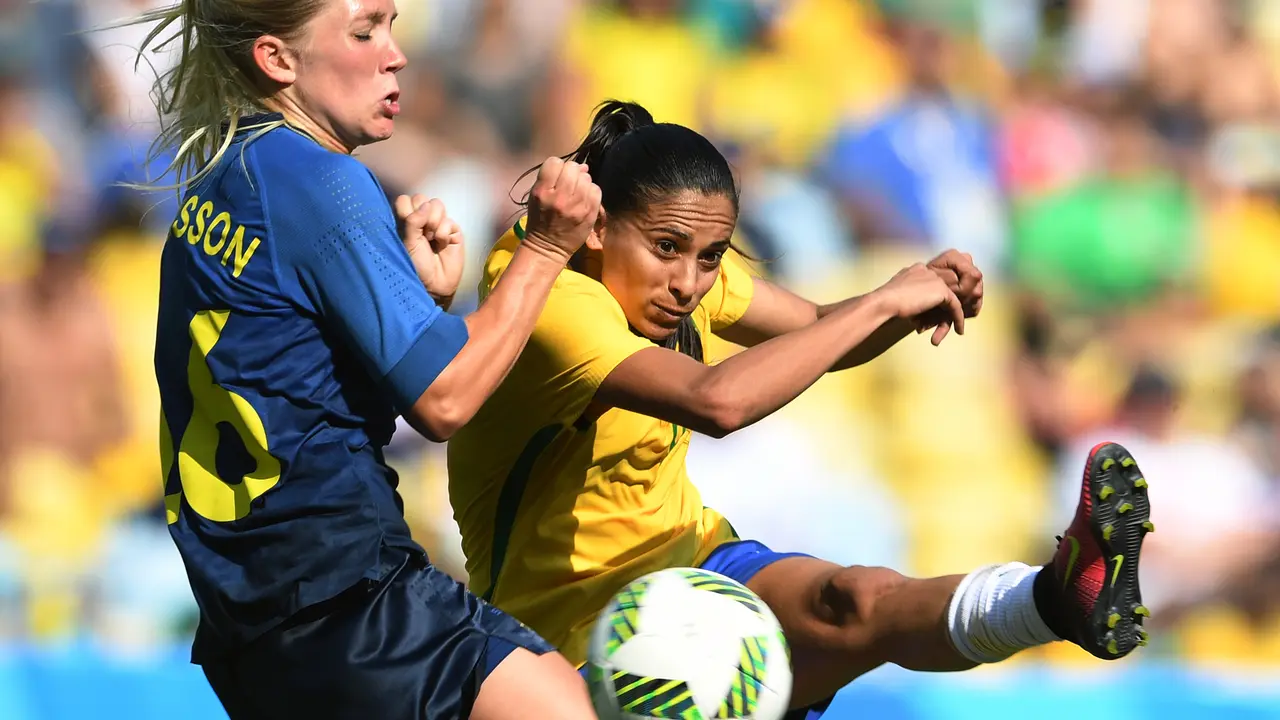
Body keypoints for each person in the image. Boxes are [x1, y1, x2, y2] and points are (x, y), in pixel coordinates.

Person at [447, 101, 1155, 718]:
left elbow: (815, 325)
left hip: (691, 562)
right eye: (670, 250)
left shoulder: (670, 267)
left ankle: (1057, 600)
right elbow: (715, 402)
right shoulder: (550, 296)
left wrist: (913, 299)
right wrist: (882, 301)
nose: (690, 283)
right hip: (562, 637)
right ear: (597, 228)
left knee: (856, 600)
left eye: (710, 256)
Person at [132, 0, 602, 717]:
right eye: (364, 31)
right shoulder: (323, 180)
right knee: (559, 703)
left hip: (253, 631)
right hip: (349, 603)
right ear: (277, 59)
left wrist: (417, 307)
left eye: (392, 25)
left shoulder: (218, 179)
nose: (396, 53)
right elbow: (444, 400)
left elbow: (294, 386)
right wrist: (544, 246)